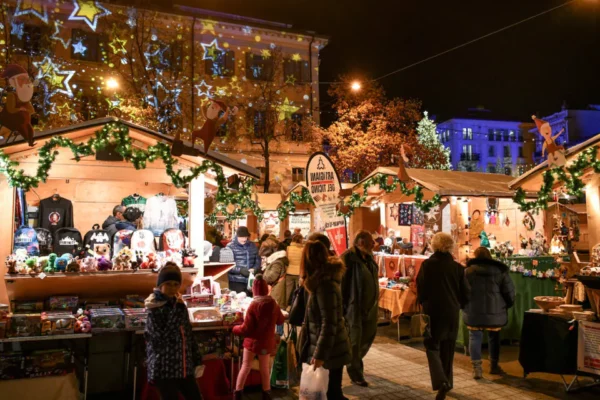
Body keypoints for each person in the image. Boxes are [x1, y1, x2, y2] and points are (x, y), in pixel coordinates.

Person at [417, 232, 469, 400]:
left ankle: (441, 381)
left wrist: (423, 302)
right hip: (452, 312)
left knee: (431, 346)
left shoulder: (427, 265)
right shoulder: (458, 268)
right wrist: (458, 304)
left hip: (432, 311)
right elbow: (466, 293)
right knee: (448, 348)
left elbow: (421, 289)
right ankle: (447, 381)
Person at [300, 240, 351, 400]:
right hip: (330, 349)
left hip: (330, 352)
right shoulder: (321, 282)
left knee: (332, 394)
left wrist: (320, 355)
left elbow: (329, 323)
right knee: (332, 393)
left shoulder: (325, 286)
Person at [144, 263, 203, 400]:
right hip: (164, 368)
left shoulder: (179, 305)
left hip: (184, 367)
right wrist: (175, 311)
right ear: (160, 285)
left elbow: (188, 334)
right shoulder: (154, 309)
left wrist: (197, 358)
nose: (172, 288)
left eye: (176, 284)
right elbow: (161, 338)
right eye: (168, 284)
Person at [463, 247, 515, 379]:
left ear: (475, 256)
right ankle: (494, 366)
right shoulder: (500, 271)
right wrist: (507, 305)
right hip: (495, 311)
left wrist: (464, 305)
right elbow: (509, 292)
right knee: (494, 337)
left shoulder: (468, 271)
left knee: (474, 337)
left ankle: (477, 369)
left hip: (474, 311)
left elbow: (462, 291)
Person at [233, 275, 284, 400]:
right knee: (265, 368)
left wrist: (234, 329)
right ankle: (266, 393)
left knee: (246, 366)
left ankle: (238, 393)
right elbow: (280, 320)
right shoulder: (273, 303)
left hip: (252, 343)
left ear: (254, 289)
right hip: (266, 342)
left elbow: (246, 329)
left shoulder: (253, 305)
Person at [341, 230, 379, 387]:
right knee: (355, 342)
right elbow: (342, 285)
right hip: (354, 309)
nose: (374, 245)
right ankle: (355, 372)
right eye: (371, 242)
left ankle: (353, 362)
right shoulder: (348, 258)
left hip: (370, 309)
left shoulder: (369, 257)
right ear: (361, 242)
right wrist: (343, 309)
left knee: (368, 337)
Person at [227, 226, 260, 294]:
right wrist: (240, 270)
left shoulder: (253, 246)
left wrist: (255, 268)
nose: (244, 239)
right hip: (236, 281)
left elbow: (258, 260)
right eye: (242, 237)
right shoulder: (230, 247)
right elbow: (227, 266)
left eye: (245, 237)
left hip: (250, 280)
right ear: (237, 236)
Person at [260, 237, 289, 308]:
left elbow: (270, 278)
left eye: (264, 257)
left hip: (276, 294)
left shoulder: (277, 262)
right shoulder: (275, 260)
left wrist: (259, 277)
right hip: (275, 294)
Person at [285, 234, 304, 306]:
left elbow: (286, 260)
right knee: (298, 291)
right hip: (299, 273)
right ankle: (295, 306)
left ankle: (286, 305)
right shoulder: (303, 249)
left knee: (288, 291)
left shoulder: (288, 248)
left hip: (289, 271)